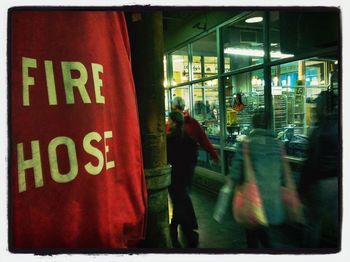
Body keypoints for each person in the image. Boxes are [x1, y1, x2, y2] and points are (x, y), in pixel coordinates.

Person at [227, 109, 292, 248]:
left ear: (253, 124)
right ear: (268, 124)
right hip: (273, 200)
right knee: (262, 231)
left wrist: (232, 186)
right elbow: (283, 172)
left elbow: (235, 172)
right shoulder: (277, 145)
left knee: (253, 234)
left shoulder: (246, 144)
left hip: (252, 200)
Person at [299, 89, 340, 248]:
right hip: (338, 180)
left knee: (313, 223)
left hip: (321, 182)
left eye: (316, 107)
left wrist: (301, 189)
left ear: (324, 107)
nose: (314, 110)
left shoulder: (320, 129)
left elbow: (311, 162)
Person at [166, 111, 199, 248]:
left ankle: (178, 229)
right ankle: (182, 228)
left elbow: (166, 159)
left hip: (173, 178)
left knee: (178, 203)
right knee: (181, 202)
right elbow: (193, 157)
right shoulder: (188, 139)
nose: (167, 122)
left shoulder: (168, 140)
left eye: (169, 119)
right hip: (185, 177)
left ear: (174, 122)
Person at [169, 96, 220, 165]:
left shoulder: (171, 123)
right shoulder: (193, 122)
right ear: (183, 107)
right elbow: (204, 140)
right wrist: (214, 155)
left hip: (175, 160)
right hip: (190, 159)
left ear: (174, 106)